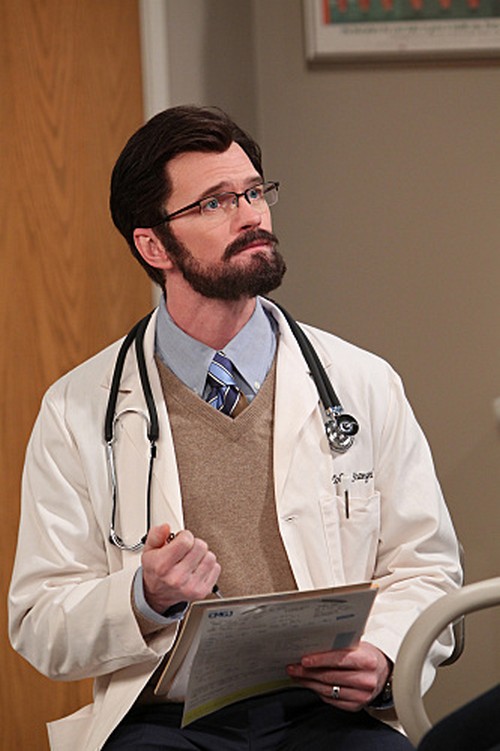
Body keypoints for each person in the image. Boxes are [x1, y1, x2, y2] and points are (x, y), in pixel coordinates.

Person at [9, 105, 461, 751]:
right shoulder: (77, 408)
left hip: (329, 713)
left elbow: (426, 567)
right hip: (167, 723)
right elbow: (39, 623)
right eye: (215, 203)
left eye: (253, 192)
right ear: (153, 246)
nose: (251, 216)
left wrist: (384, 651)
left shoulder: (362, 381)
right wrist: (143, 594)